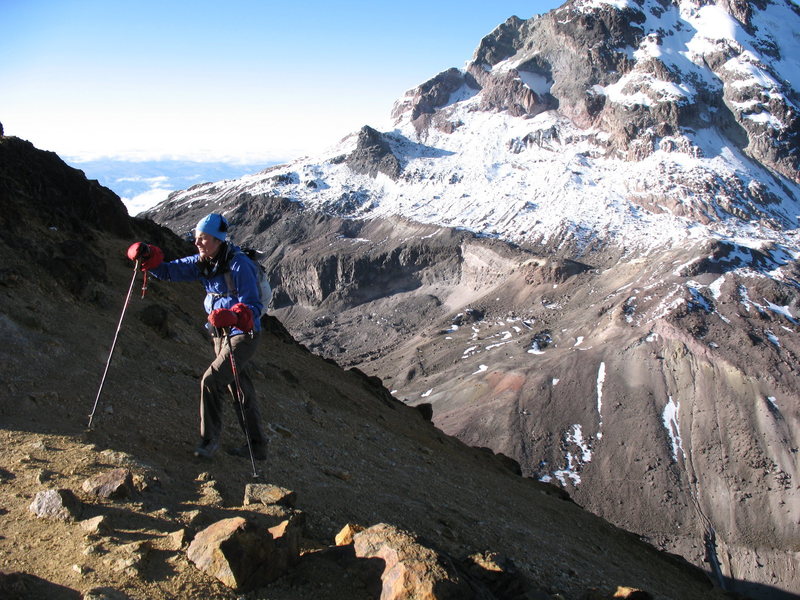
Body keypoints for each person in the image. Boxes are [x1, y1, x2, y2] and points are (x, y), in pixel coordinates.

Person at [127, 213, 268, 460]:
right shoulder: (204, 260)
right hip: (220, 334)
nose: (197, 243)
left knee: (211, 380)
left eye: (202, 238)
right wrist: (148, 256)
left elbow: (253, 306)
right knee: (239, 388)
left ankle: (209, 442)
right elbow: (170, 272)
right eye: (196, 238)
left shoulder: (239, 264)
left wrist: (234, 316)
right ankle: (257, 446)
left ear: (217, 239)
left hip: (243, 335)